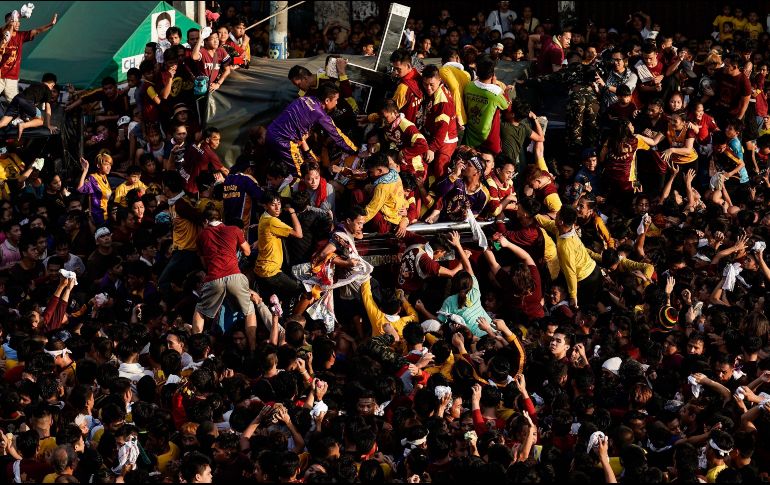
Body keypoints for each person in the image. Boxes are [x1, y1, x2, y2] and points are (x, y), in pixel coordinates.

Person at [191, 208, 256, 350]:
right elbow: (247, 251)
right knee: (249, 310)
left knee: (200, 312)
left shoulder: (202, 235)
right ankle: (252, 349)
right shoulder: (234, 230)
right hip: (235, 275)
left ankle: (196, 351)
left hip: (214, 278)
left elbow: (204, 264)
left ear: (205, 222)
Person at [266, 83, 357, 176]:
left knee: (276, 170)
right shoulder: (320, 114)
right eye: (336, 100)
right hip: (284, 141)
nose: (337, 103)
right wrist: (354, 150)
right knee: (303, 173)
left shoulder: (304, 99)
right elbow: (337, 135)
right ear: (327, 100)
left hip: (270, 132)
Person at [0, 10, 57, 103]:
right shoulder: (2, 33)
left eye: (19, 21)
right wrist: (16, 17)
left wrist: (51, 24)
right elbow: (6, 30)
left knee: (15, 104)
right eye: (15, 21)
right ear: (10, 21)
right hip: (0, 75)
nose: (18, 24)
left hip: (12, 78)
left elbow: (37, 31)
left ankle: (15, 117)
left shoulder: (21, 36)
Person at [463, 57, 510, 154]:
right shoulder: (495, 93)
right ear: (493, 74)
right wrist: (502, 90)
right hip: (487, 137)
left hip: (470, 131)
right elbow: (506, 106)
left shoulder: (468, 86)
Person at [0, 72, 58, 140]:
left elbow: (25, 103)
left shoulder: (35, 85)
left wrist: (24, 117)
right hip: (27, 101)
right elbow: (48, 109)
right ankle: (23, 125)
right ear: (53, 84)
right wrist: (48, 125)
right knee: (40, 121)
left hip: (17, 98)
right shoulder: (48, 91)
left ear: (42, 80)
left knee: (3, 123)